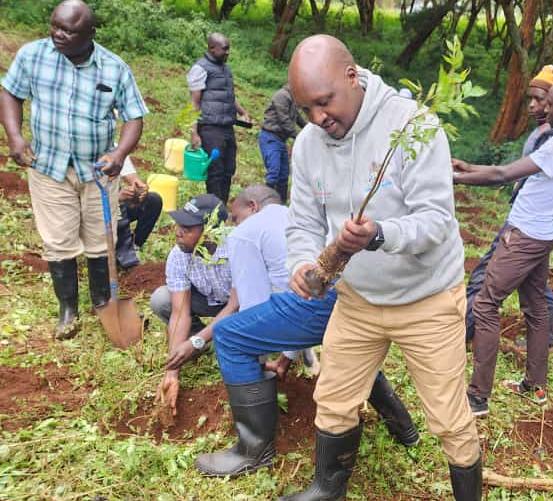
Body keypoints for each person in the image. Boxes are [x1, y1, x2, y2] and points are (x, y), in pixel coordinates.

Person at [281, 35, 482, 501]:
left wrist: (380, 234)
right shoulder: (310, 145)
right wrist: (304, 262)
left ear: (352, 77)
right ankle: (327, 489)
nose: (317, 118)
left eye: (324, 102)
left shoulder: (414, 127)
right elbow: (303, 222)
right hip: (358, 301)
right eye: (306, 108)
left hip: (427, 299)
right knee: (332, 400)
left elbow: (436, 221)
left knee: (449, 418)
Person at [161, 185, 419, 477]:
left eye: (234, 216)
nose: (232, 225)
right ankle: (405, 430)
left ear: (253, 206)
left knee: (231, 336)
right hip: (358, 294)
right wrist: (286, 358)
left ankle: (254, 450)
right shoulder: (296, 217)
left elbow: (251, 308)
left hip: (319, 302)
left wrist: (260, 363)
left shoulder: (244, 234)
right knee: (347, 351)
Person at [453, 76, 553, 414]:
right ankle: (535, 386)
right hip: (544, 234)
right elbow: (508, 171)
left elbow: (503, 174)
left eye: (551, 104)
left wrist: (454, 177)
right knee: (536, 308)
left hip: (523, 236)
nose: (544, 109)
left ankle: (477, 397)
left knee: (486, 304)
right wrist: (469, 167)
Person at [0, 0, 147, 341]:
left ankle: (101, 302)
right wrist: (16, 137)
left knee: (100, 239)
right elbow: (10, 93)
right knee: (59, 240)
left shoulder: (114, 68)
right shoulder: (33, 55)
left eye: (68, 30)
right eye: (55, 26)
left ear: (90, 33)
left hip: (97, 171)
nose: (59, 34)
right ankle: (68, 309)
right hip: (49, 166)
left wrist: (119, 152)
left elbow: (134, 117)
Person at [464, 64, 553, 345]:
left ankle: (463, 331)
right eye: (530, 99)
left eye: (539, 100)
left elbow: (505, 173)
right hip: (533, 221)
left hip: (526, 222)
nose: (532, 106)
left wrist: (461, 176)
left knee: (487, 276)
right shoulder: (546, 133)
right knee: (533, 283)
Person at [150, 194, 232, 409]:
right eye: (179, 225)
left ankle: (211, 340)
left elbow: (237, 306)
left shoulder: (236, 249)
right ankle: (199, 341)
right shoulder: (179, 255)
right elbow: (179, 312)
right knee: (162, 299)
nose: (178, 232)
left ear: (210, 231)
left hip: (241, 307)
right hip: (208, 302)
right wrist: (172, 372)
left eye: (187, 228)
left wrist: (197, 340)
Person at [187, 33, 250, 204]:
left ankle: (221, 207)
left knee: (229, 169)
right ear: (212, 48)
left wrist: (242, 112)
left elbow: (229, 96)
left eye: (229, 49)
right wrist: (194, 132)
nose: (228, 53)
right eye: (224, 49)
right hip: (210, 128)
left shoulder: (225, 68)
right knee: (215, 171)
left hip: (227, 127)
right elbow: (194, 103)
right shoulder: (200, 68)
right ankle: (214, 211)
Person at [259, 83, 307, 203]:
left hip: (281, 140)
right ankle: (266, 202)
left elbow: (298, 118)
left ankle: (281, 205)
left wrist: (310, 129)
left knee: (284, 175)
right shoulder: (282, 96)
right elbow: (284, 119)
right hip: (270, 137)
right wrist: (299, 136)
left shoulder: (293, 98)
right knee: (274, 172)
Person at [115, 156, 163, 269]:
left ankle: (134, 246)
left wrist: (140, 191)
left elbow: (134, 180)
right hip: (95, 212)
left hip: (117, 206)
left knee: (152, 201)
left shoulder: (117, 149)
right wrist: (116, 198)